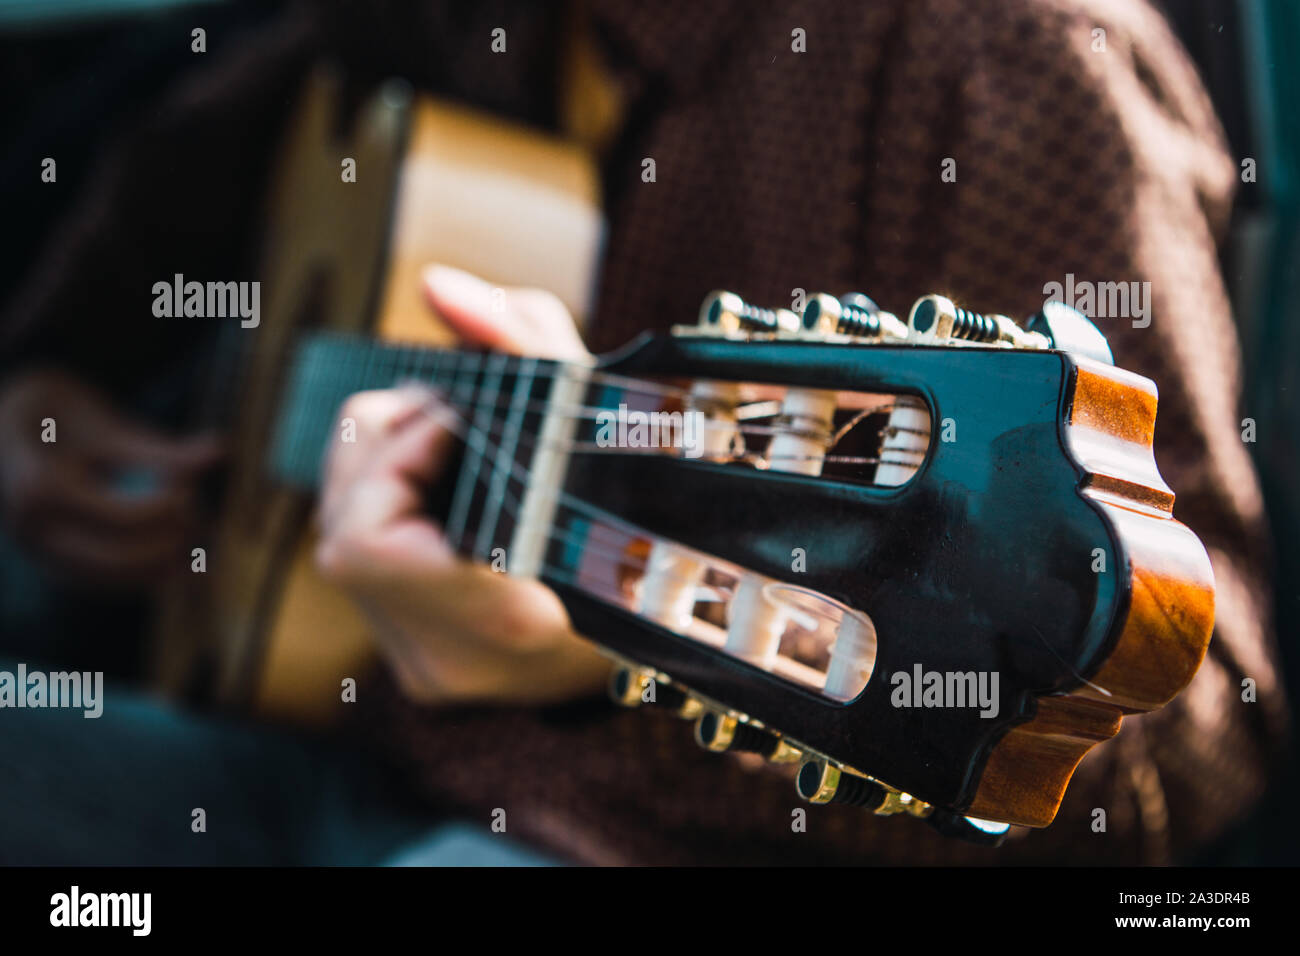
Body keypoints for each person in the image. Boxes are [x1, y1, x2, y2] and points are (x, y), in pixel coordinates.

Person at [0, 0, 1287, 865]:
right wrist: (38, 398)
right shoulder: (420, 20)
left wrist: (580, 654)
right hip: (310, 729)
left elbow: (1195, 729)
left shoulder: (1000, 63)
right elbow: (147, 206)